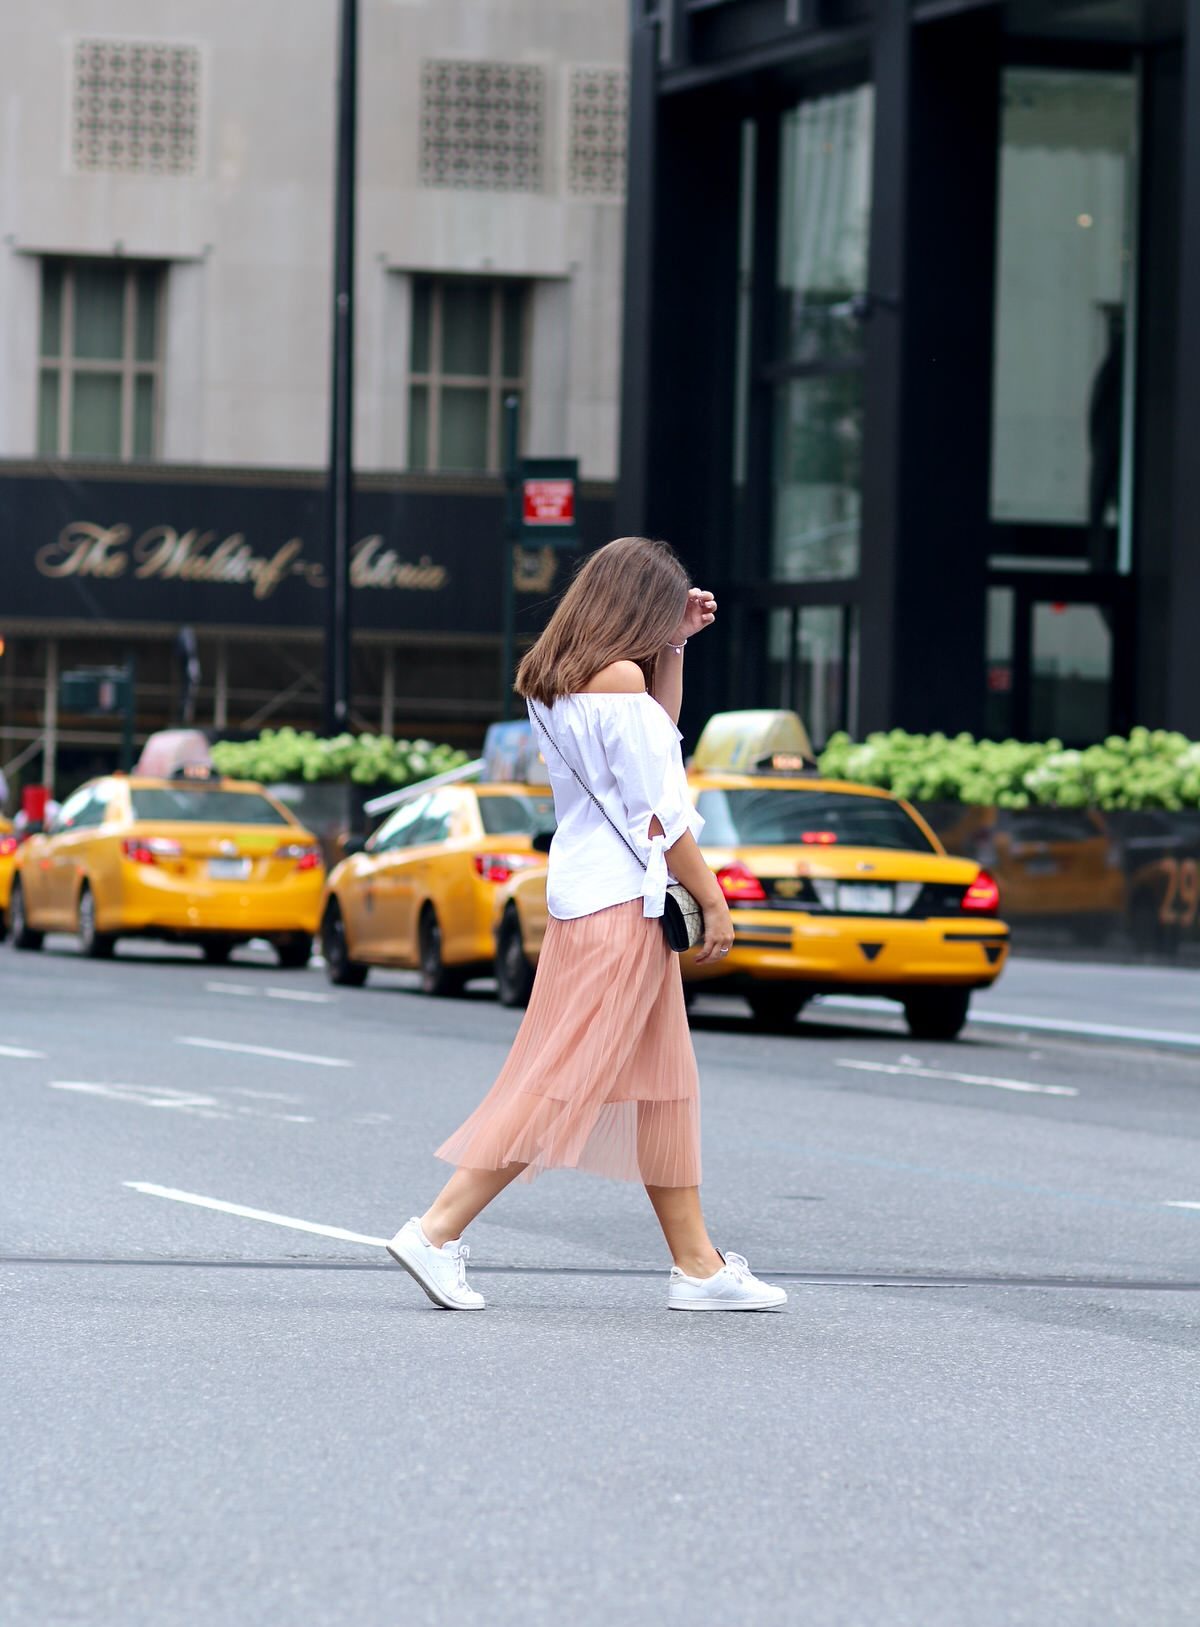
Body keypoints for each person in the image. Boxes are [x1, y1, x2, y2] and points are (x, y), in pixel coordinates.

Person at [386, 536, 787, 1313]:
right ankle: (435, 1232)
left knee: (665, 1086)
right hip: (622, 908)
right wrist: (715, 897)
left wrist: (675, 644)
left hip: (587, 897)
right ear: (635, 603)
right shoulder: (618, 677)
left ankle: (698, 1266)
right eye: (664, 607)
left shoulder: (560, 677)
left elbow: (654, 743)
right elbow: (660, 810)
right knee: (562, 1081)